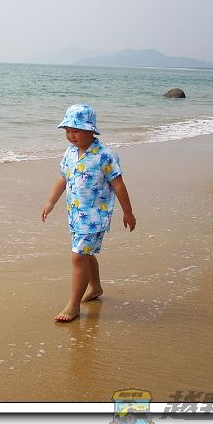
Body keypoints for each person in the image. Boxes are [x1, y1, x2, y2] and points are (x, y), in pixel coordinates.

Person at [41, 104, 136, 322]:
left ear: (90, 130)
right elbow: (63, 178)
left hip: (95, 217)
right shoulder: (70, 153)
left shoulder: (105, 155)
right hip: (75, 214)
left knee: (78, 257)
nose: (70, 136)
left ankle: (73, 306)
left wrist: (128, 212)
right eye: (67, 131)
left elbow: (118, 185)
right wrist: (50, 202)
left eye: (76, 130)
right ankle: (95, 287)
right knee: (86, 254)